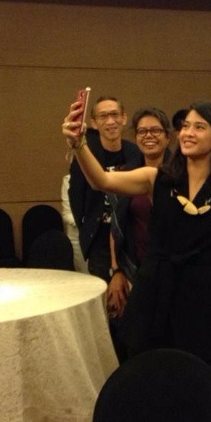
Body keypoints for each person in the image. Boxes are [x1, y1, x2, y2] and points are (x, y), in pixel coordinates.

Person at [63, 100, 211, 384]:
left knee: (202, 381)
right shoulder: (156, 179)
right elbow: (102, 181)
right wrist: (78, 144)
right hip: (155, 291)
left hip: (202, 299)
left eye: (199, 127)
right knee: (150, 378)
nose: (187, 133)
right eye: (185, 126)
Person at [108, 107, 172, 323]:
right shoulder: (125, 174)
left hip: (173, 271)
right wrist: (117, 270)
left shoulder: (182, 176)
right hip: (136, 271)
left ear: (168, 137)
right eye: (142, 131)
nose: (148, 136)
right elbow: (116, 227)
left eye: (156, 130)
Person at [68, 97, 142, 283]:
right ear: (94, 122)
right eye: (103, 116)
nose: (110, 121)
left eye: (115, 115)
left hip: (129, 233)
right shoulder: (86, 155)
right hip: (98, 235)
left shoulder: (135, 152)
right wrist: (86, 227)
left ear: (124, 118)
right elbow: (76, 196)